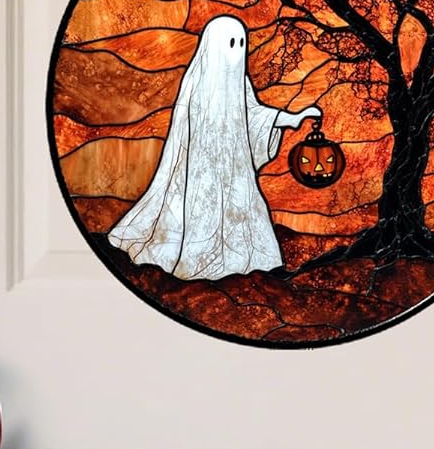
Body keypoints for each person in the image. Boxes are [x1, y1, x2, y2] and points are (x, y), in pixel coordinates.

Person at [109, 14, 320, 279]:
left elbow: (254, 114)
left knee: (244, 211)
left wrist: (293, 118)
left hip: (235, 167)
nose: (236, 51)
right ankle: (197, 262)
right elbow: (186, 132)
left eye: (241, 44)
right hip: (202, 169)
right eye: (231, 43)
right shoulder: (197, 81)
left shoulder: (240, 82)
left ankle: (251, 262)